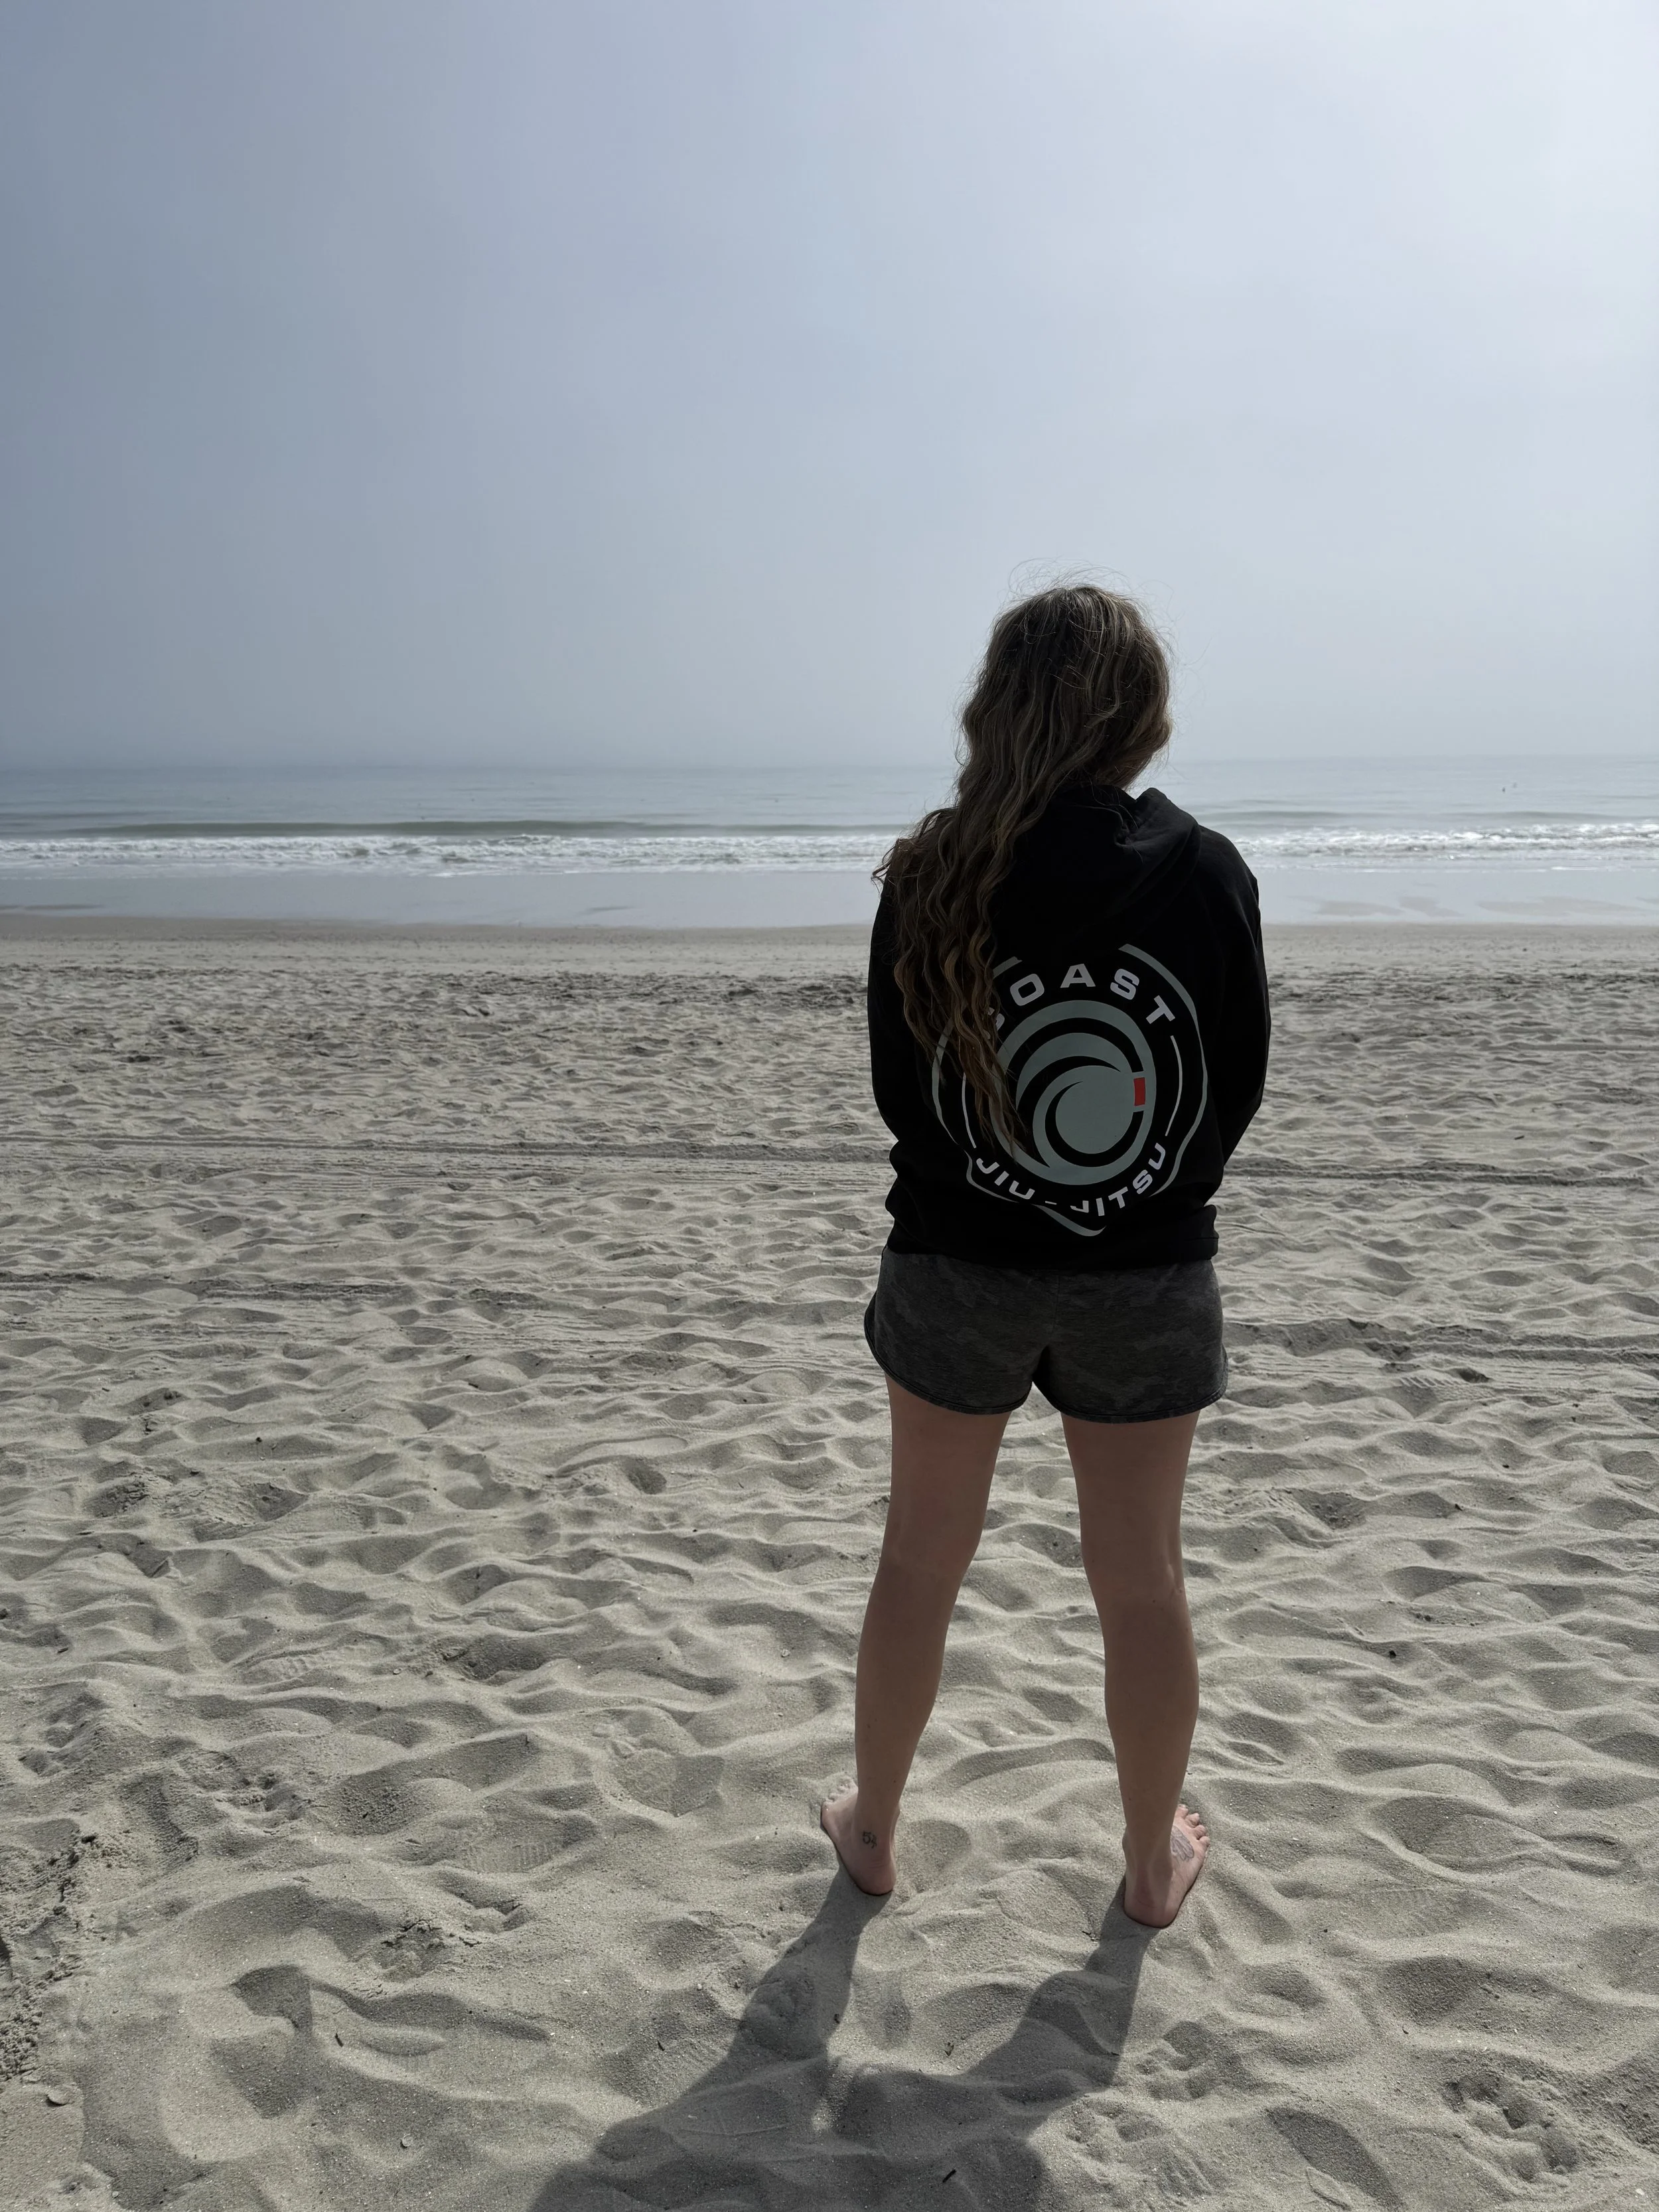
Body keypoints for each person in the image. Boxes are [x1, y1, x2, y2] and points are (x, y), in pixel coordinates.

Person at [822, 585, 1269, 1927]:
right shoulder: (1201, 872)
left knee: (918, 1557)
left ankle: (875, 1829)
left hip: (957, 1259)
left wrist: (1002, 1184)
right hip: (1141, 1268)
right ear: (1139, 714)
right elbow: (1227, 1084)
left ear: (994, 705)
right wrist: (1132, 1201)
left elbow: (903, 1093)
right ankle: (1144, 1867)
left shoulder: (933, 866)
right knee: (1139, 1577)